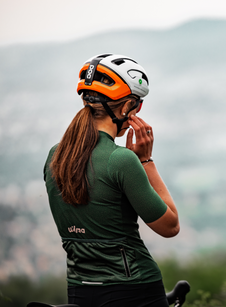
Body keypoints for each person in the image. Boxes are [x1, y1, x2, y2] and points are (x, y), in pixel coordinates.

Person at [44, 53, 179, 307]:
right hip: (134, 289)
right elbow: (170, 226)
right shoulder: (122, 160)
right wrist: (146, 162)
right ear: (126, 107)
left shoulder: (55, 155)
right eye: (137, 104)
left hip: (79, 289)